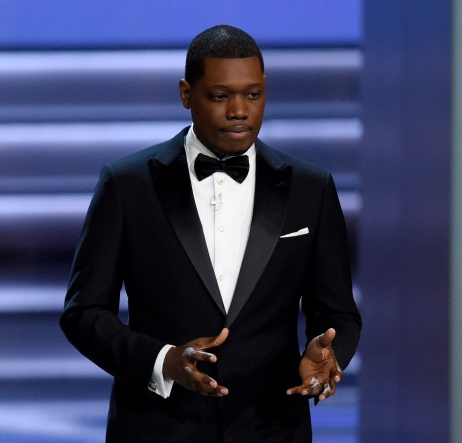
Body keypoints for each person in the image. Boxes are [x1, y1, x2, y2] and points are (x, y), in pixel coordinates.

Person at [60, 25, 361, 442]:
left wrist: (327, 352)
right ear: (186, 94)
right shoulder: (127, 185)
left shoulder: (311, 188)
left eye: (252, 95)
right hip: (157, 428)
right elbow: (84, 313)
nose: (239, 110)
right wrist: (163, 362)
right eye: (220, 96)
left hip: (271, 427)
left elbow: (338, 313)